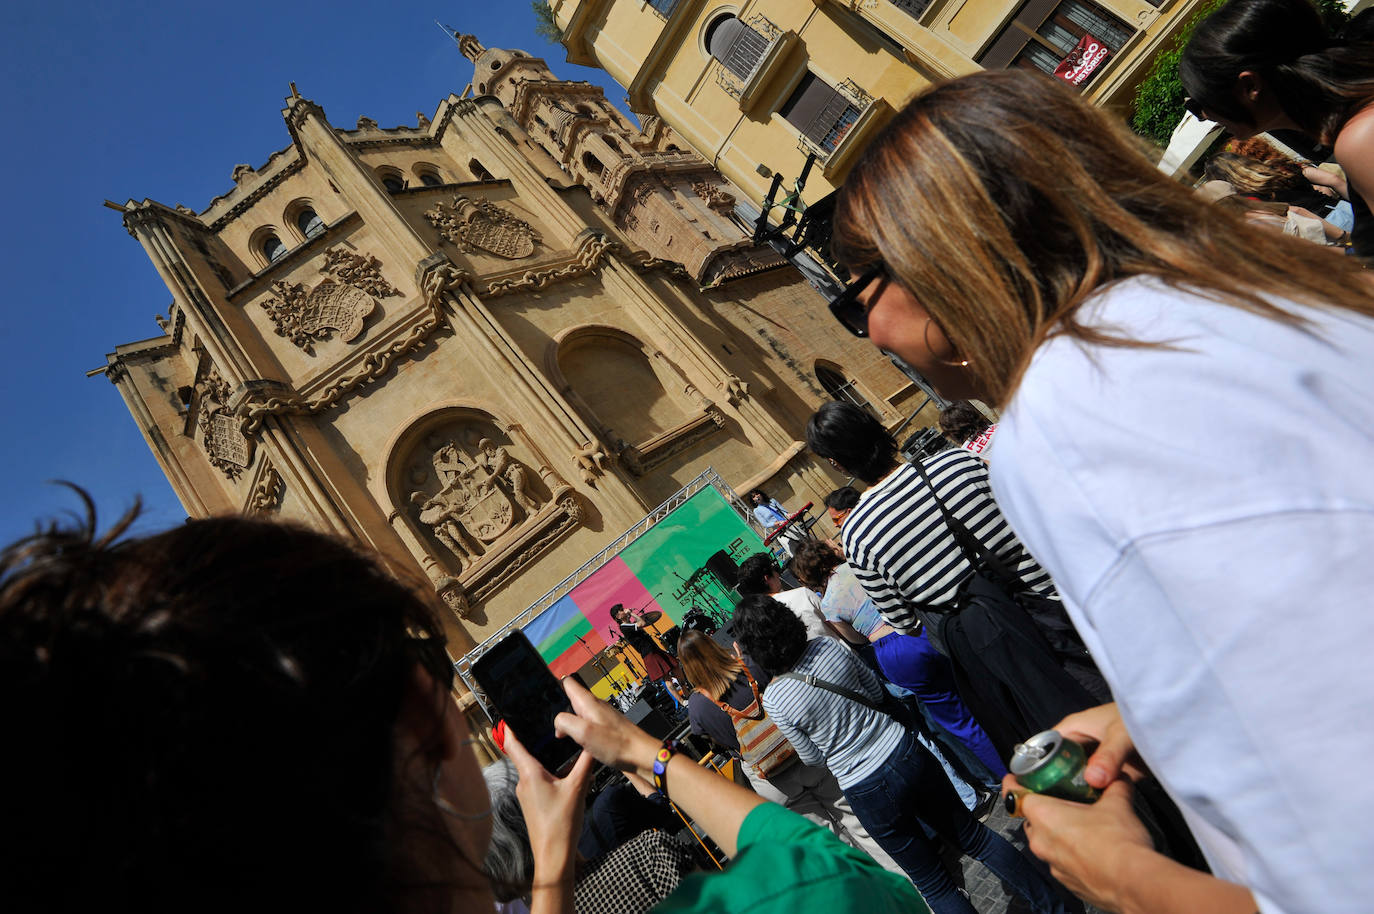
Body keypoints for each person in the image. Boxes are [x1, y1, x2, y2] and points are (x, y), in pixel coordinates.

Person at [829, 67, 1374, 914]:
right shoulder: (1247, 291)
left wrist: (1126, 880)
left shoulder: (1070, 409)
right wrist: (1152, 709)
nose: (867, 334)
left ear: (940, 264)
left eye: (855, 296)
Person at [2, 492, 931, 914]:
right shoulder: (793, 896)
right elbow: (809, 859)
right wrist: (642, 757)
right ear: (417, 718)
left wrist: (552, 881)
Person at [732, 595, 1077, 914]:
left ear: (754, 651)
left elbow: (812, 758)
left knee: (934, 884)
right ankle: (1054, 906)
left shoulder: (775, 698)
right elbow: (873, 690)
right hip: (901, 750)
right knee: (975, 837)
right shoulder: (827, 647)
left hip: (864, 787)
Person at [806, 401, 1108, 755]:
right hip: (1062, 621)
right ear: (879, 428)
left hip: (999, 663)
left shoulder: (858, 534)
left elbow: (904, 623)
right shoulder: (960, 463)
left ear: (837, 463)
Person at [676, 629, 904, 874]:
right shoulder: (750, 664)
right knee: (856, 820)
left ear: (687, 666)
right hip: (803, 752)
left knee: (827, 844)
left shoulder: (697, 708)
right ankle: (906, 879)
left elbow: (715, 740)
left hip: (771, 779)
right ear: (712, 644)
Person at [790, 540, 1006, 786]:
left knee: (957, 719)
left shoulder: (829, 606)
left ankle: (1004, 774)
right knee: (975, 691)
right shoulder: (858, 567)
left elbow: (857, 640)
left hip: (894, 653)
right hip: (918, 630)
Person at [1179, 0, 1374, 257]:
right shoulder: (1354, 125)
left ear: (1249, 86)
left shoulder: (1359, 137)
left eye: (1199, 103)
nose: (1206, 117)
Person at [734, 552, 830, 641]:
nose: (777, 574)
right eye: (775, 569)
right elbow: (834, 622)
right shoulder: (802, 594)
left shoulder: (760, 624)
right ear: (767, 578)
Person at [611, 603, 676, 682]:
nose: (624, 610)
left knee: (675, 666)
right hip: (649, 653)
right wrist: (631, 613)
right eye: (621, 610)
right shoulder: (624, 627)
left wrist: (629, 616)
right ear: (617, 616)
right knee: (667, 679)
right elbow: (642, 623)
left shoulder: (629, 624)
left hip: (653, 649)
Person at [748, 489, 803, 555]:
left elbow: (784, 512)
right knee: (793, 549)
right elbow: (765, 524)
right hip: (778, 530)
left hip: (788, 524)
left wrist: (790, 515)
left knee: (803, 540)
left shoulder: (772, 501)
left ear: (761, 494)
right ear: (753, 500)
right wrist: (777, 523)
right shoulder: (756, 511)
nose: (757, 496)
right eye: (754, 496)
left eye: (757, 494)